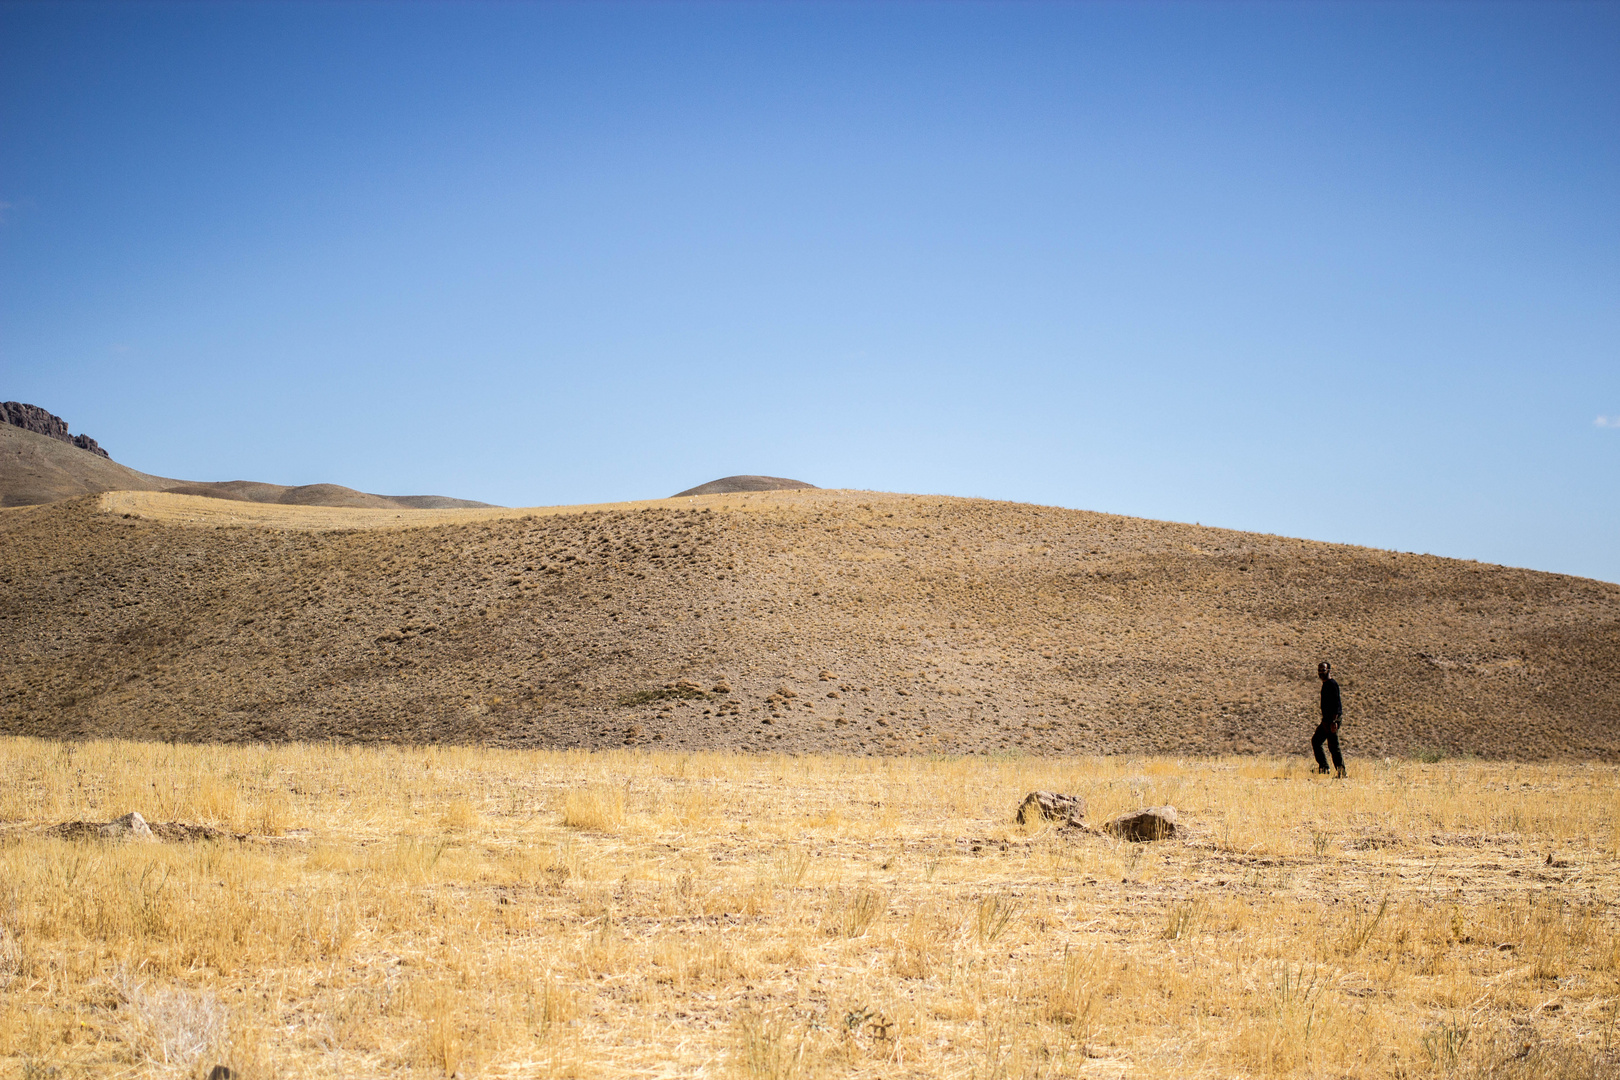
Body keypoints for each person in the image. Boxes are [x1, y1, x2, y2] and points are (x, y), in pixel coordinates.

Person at [1312, 661, 1346, 778]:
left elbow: (1337, 704)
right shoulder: (1325, 684)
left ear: (1329, 671)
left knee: (1333, 746)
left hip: (1332, 721)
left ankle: (1341, 772)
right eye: (1319, 670)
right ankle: (1324, 768)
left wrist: (1334, 722)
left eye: (1323, 670)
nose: (1321, 672)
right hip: (1326, 721)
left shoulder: (1332, 684)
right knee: (1316, 741)